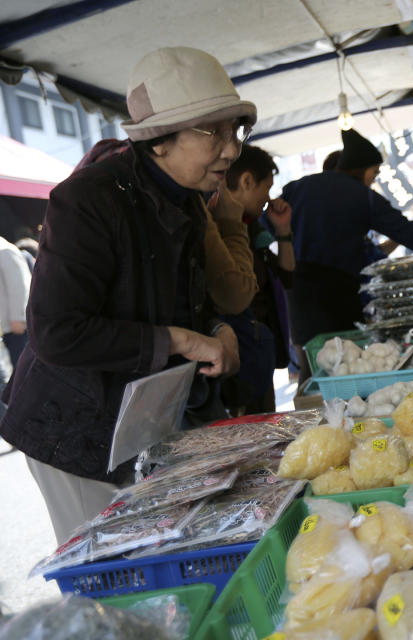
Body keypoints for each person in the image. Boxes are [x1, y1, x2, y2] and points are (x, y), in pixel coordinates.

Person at [0, 46, 250, 543]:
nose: (231, 150)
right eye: (213, 133)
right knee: (111, 577)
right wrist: (180, 339)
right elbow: (56, 333)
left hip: (139, 427)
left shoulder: (186, 198)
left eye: (235, 131)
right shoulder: (89, 199)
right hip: (73, 432)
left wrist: (217, 330)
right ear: (159, 140)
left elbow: (188, 299)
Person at [281, 127, 413, 372]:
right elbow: (407, 234)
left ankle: (308, 407)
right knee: (346, 365)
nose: (373, 179)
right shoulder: (363, 197)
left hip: (297, 291)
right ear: (361, 168)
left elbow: (269, 225)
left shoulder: (297, 187)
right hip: (338, 294)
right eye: (374, 172)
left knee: (311, 367)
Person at [221, 144, 294, 414]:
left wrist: (284, 230)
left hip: (258, 355)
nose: (268, 197)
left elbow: (286, 277)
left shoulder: (252, 226)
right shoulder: (219, 228)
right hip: (237, 364)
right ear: (247, 180)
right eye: (267, 187)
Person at [0, 235, 31, 370]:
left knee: (22, 370)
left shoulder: (5, 251)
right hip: (8, 327)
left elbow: (19, 286)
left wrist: (18, 317)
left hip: (15, 326)